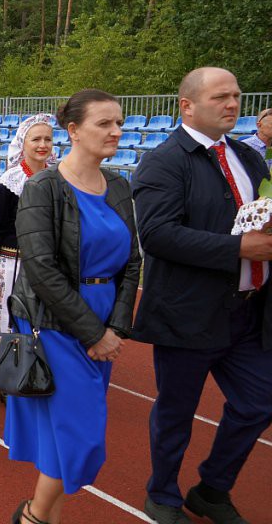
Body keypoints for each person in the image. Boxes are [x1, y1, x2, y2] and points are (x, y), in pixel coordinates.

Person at [133, 67, 272, 524]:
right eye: (220, 97)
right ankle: (164, 494)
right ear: (187, 106)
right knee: (177, 413)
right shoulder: (164, 161)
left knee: (259, 402)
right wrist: (238, 249)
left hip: (246, 312)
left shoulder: (250, 159)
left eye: (235, 96)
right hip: (187, 313)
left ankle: (212, 489)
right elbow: (157, 235)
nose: (232, 104)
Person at [3, 89, 140, 524]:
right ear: (74, 130)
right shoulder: (44, 187)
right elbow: (42, 271)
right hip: (55, 322)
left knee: (66, 433)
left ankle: (43, 516)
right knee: (81, 438)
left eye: (119, 123)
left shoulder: (118, 185)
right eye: (105, 124)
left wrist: (116, 326)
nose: (116, 131)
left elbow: (133, 262)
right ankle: (34, 516)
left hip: (103, 319)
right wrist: (95, 333)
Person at [0, 115, 55, 368]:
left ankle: (37, 369)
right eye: (36, 139)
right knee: (11, 316)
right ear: (23, 143)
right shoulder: (9, 182)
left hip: (48, 264)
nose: (42, 144)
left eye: (48, 139)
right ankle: (9, 371)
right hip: (13, 263)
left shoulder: (59, 179)